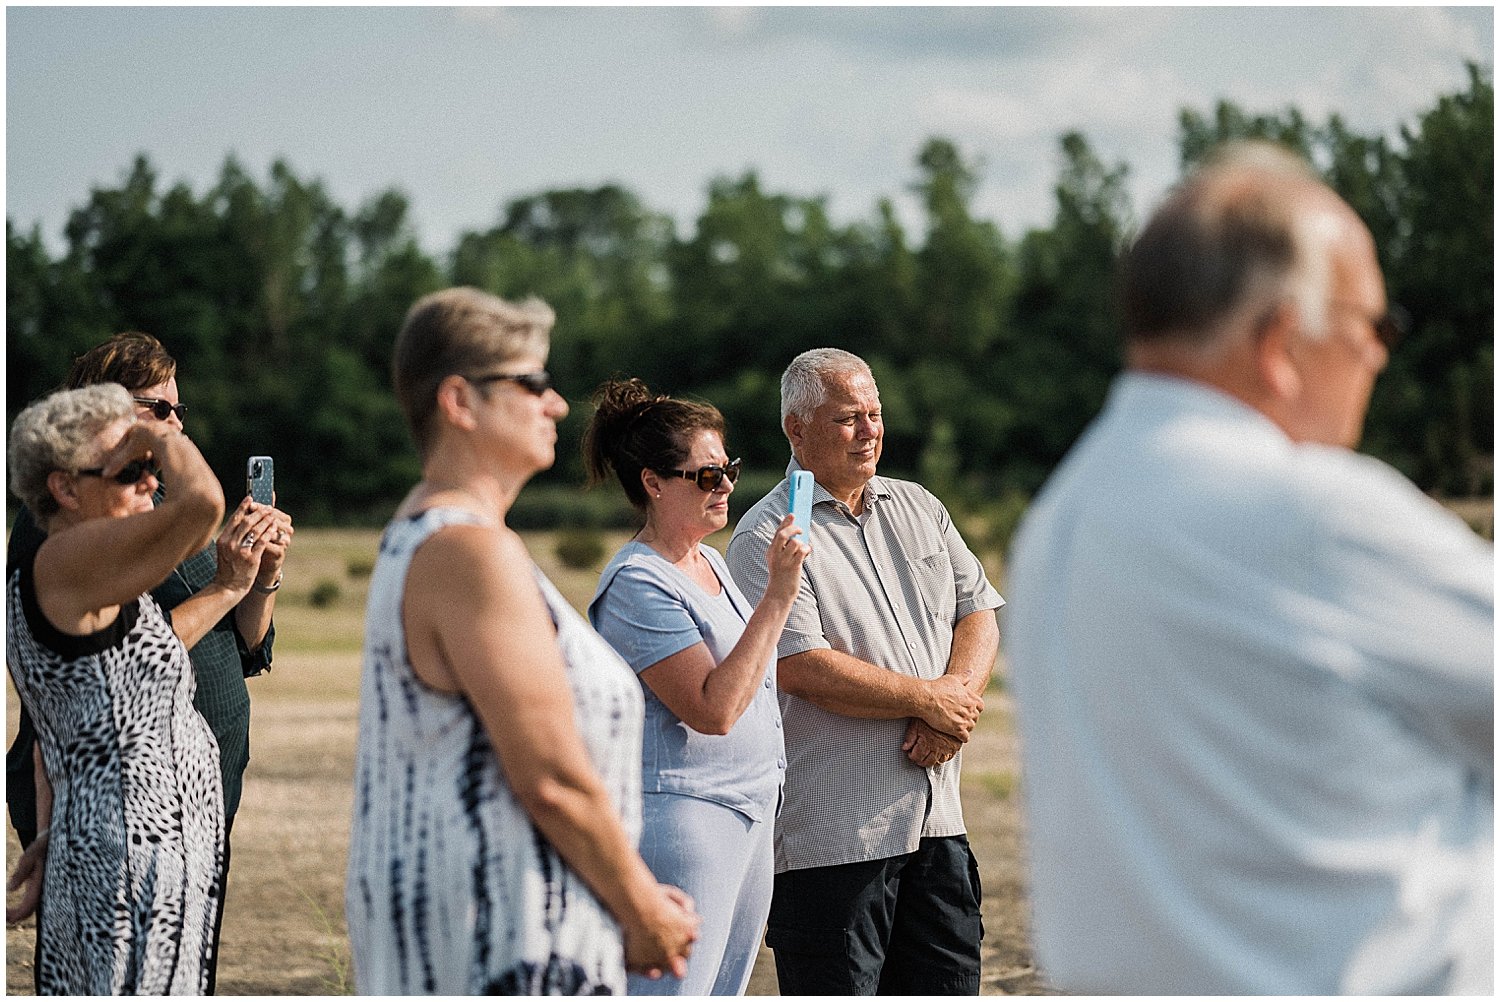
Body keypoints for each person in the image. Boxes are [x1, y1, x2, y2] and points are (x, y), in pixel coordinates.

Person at [1005, 142, 1493, 994]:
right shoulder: (1313, 515)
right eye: (1374, 326)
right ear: (1279, 339)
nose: (1380, 357)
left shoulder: (1062, 516)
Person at [345, 287, 699, 994]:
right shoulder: (468, 549)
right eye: (532, 383)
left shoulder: (435, 536)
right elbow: (552, 780)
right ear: (460, 402)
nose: (558, 404)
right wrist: (641, 908)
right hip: (504, 945)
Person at [4, 331, 291, 993]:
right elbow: (103, 671)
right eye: (158, 408)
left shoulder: (135, 509)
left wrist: (257, 577)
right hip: (122, 824)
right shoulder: (63, 538)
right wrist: (224, 583)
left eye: (177, 411)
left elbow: (238, 647)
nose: (174, 425)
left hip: (169, 813)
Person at [725, 348, 1004, 995]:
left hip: (939, 827)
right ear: (797, 429)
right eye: (849, 417)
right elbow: (799, 666)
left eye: (874, 414)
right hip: (835, 845)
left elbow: (980, 614)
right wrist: (929, 701)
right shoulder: (767, 533)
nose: (870, 430)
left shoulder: (920, 507)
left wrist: (953, 707)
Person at [582, 378, 809, 996]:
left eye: (728, 469)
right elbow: (714, 709)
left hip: (751, 808)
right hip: (686, 818)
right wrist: (779, 594)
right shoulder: (637, 582)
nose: (727, 486)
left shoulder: (707, 562)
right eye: (706, 476)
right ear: (654, 483)